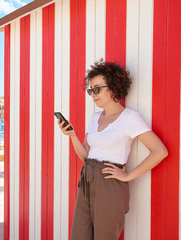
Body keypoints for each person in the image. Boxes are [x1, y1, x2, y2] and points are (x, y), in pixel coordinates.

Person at [58, 60, 168, 240]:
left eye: (97, 89)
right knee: (79, 235)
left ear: (114, 87)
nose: (93, 94)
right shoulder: (94, 118)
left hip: (109, 183)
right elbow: (86, 155)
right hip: (87, 179)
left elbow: (159, 151)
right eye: (90, 90)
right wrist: (72, 136)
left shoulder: (130, 118)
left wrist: (127, 175)